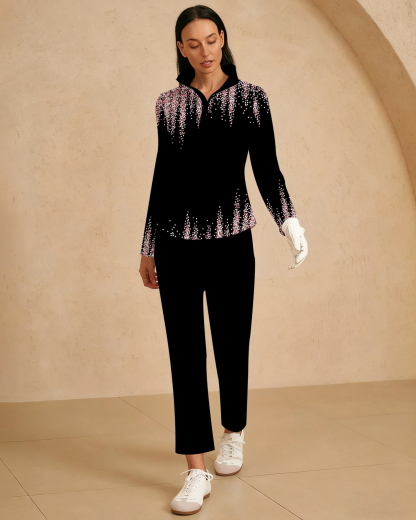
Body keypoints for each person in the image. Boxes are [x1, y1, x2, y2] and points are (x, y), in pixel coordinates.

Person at [138, 5, 308, 515]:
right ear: (181, 48)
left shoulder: (251, 98)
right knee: (185, 353)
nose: (205, 51)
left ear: (222, 38)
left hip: (232, 241)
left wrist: (289, 221)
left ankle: (233, 431)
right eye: (193, 43)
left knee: (232, 343)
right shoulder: (169, 104)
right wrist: (148, 244)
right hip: (177, 243)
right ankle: (196, 469)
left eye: (211, 40)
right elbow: (163, 177)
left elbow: (267, 169)